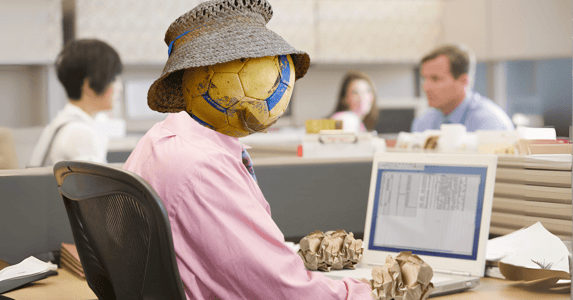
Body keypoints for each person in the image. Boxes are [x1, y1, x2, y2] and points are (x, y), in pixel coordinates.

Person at [122, 0, 374, 299]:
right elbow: (284, 291)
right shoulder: (201, 164)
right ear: (204, 80)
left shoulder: (162, 138)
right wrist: (371, 290)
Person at [28, 39, 123, 167]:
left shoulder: (62, 124)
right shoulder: (80, 133)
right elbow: (99, 186)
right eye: (113, 79)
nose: (119, 87)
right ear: (89, 86)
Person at [411, 44, 514, 132]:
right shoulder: (424, 123)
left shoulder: (489, 124)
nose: (426, 87)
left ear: (463, 81)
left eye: (435, 79)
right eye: (424, 79)